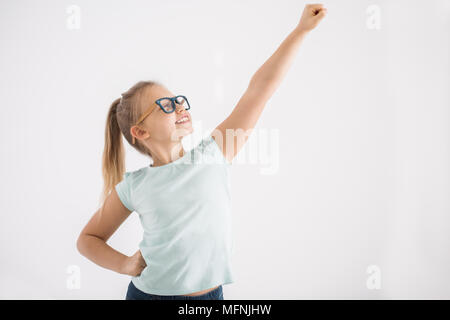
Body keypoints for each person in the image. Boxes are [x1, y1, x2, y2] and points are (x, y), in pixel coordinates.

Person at [76, 3, 327, 300]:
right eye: (166, 106)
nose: (180, 106)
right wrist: (124, 264)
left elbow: (260, 89)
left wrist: (300, 31)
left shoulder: (214, 153)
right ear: (140, 132)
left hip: (209, 297)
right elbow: (88, 240)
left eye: (178, 100)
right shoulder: (134, 186)